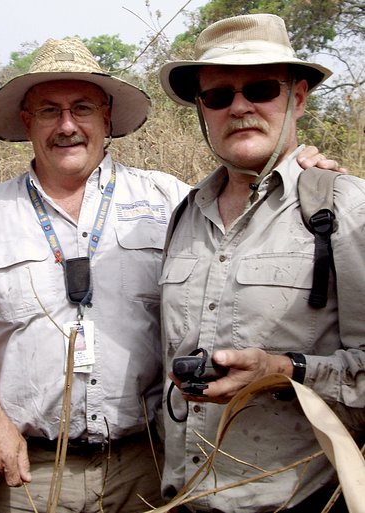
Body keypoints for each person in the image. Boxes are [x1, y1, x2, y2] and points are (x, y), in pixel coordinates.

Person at [0, 37, 336, 513]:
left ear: (107, 116)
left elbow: (253, 208)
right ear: (27, 122)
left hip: (151, 467)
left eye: (82, 108)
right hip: (29, 471)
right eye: (49, 110)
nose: (67, 125)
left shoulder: (170, 202)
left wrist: (297, 168)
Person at [158, 13, 365, 513]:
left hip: (304, 499)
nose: (240, 107)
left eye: (261, 88)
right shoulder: (183, 216)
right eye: (219, 95)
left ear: (296, 99)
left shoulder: (347, 209)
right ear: (202, 110)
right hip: (184, 498)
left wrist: (281, 370)